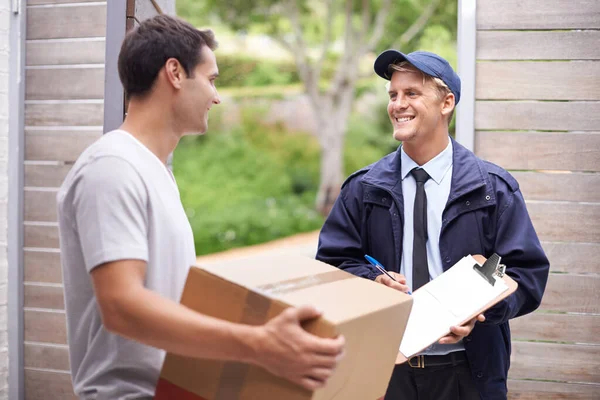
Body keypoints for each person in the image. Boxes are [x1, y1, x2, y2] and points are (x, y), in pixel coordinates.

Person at [57, 15, 344, 400]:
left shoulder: (153, 171)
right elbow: (122, 306)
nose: (217, 96)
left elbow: (170, 300)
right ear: (175, 72)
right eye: (211, 79)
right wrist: (259, 344)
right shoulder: (112, 168)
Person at [316, 49, 549, 400]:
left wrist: (481, 311)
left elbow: (524, 272)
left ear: (446, 103)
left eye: (412, 93)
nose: (398, 104)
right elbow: (332, 265)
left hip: (470, 374)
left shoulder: (494, 190)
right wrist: (372, 281)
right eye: (393, 94)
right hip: (385, 373)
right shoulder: (363, 189)